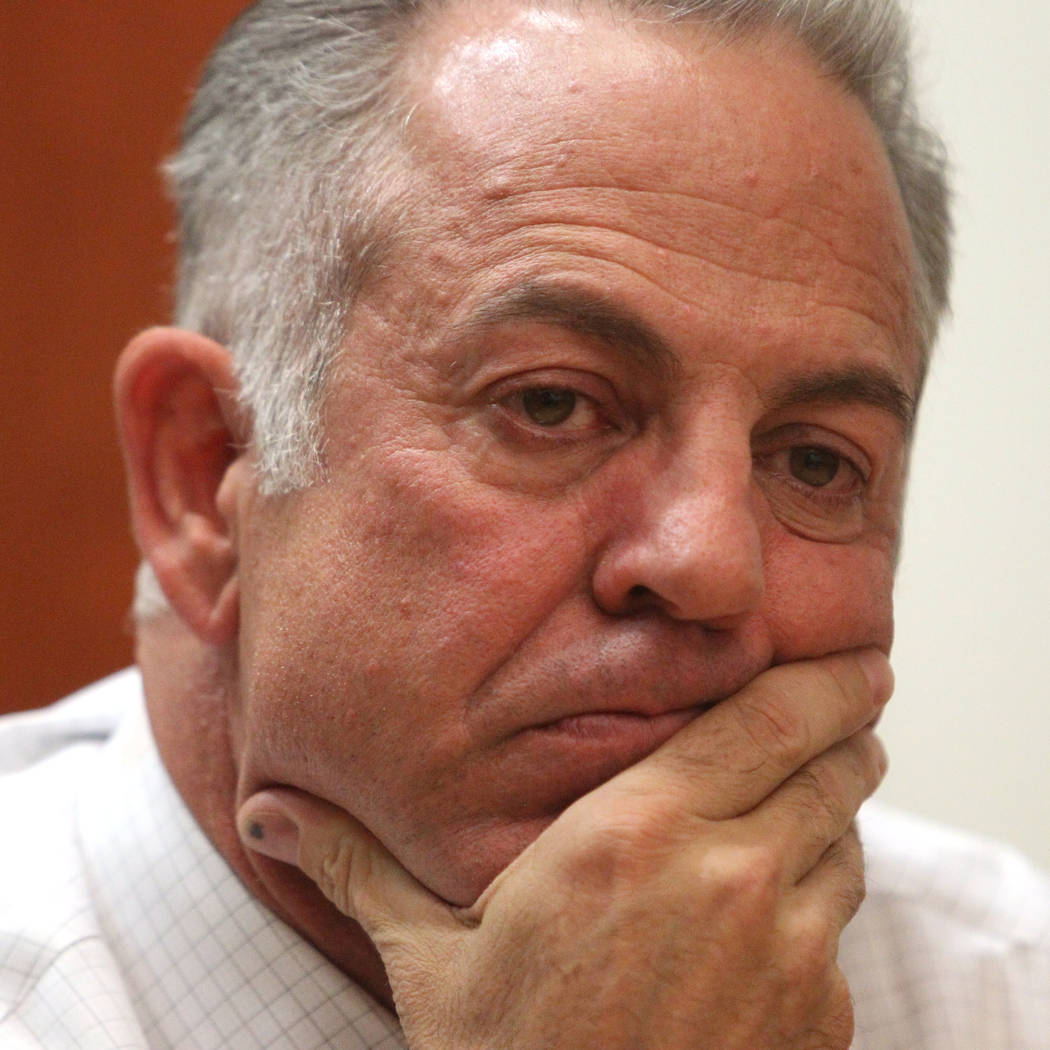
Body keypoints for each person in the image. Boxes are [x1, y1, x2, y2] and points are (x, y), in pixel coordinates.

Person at [2, 0, 1049, 1046]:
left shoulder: (1003, 987)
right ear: (208, 476)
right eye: (551, 404)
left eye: (816, 462)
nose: (711, 562)